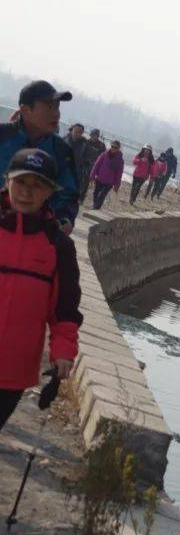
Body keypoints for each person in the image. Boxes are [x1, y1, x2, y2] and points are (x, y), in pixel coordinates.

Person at [0, 148, 82, 433]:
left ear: (50, 192)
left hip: (13, 370)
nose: (26, 192)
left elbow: (65, 311)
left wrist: (63, 352)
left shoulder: (59, 246)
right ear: (7, 180)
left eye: (37, 186)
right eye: (21, 182)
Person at [0, 80, 80, 233]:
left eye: (57, 107)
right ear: (25, 110)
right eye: (49, 107)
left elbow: (68, 196)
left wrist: (64, 220)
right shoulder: (3, 136)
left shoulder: (61, 151)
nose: (56, 113)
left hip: (35, 235)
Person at [88, 140, 124, 209]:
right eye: (112, 146)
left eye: (115, 147)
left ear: (118, 149)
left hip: (109, 182)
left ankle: (96, 208)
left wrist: (117, 184)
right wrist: (92, 175)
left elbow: (119, 173)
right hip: (100, 178)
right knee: (95, 193)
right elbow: (97, 165)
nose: (113, 148)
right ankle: (95, 206)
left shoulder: (120, 160)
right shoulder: (104, 154)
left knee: (102, 195)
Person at [81, 129, 106, 204]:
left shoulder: (101, 145)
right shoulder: (86, 142)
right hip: (84, 165)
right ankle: (78, 197)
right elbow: (82, 153)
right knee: (81, 181)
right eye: (92, 134)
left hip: (94, 167)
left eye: (95, 135)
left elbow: (103, 158)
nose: (93, 136)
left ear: (97, 136)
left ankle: (81, 198)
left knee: (86, 183)